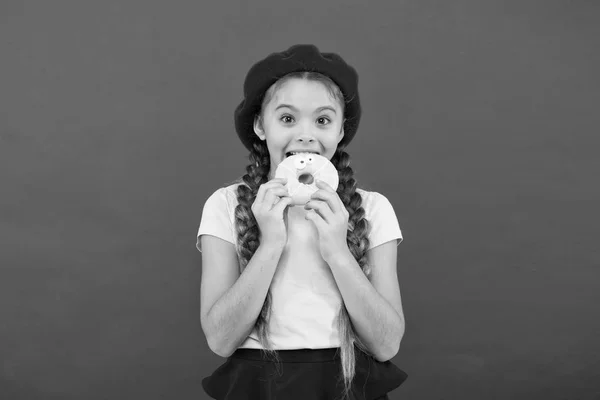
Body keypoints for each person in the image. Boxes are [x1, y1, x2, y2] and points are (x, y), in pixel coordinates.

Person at [196, 44, 408, 400]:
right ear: (261, 126)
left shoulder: (373, 209)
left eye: (323, 120)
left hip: (348, 379)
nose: (306, 134)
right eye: (287, 118)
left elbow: (386, 345)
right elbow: (220, 340)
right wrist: (271, 242)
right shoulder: (226, 205)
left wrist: (338, 251)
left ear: (341, 131)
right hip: (259, 383)